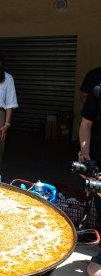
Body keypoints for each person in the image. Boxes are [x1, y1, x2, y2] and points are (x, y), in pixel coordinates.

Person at [78, 85, 101, 276]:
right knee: (94, 271)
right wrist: (84, 154)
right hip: (100, 167)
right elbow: (86, 124)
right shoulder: (98, 91)